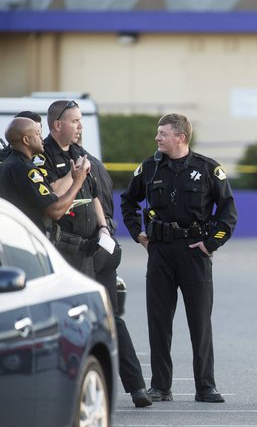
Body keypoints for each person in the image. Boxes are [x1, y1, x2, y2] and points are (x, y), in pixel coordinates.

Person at [120, 113, 237, 403]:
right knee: (159, 321)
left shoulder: (208, 169)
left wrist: (211, 244)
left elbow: (228, 213)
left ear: (180, 137)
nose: (157, 138)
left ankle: (205, 386)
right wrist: (137, 233)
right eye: (158, 133)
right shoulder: (149, 167)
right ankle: (160, 386)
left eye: (162, 133)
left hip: (193, 253)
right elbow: (128, 200)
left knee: (200, 322)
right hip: (159, 252)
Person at [75, 127, 152, 408]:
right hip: (105, 245)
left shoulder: (75, 166)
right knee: (111, 319)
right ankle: (137, 387)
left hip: (83, 249)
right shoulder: (95, 163)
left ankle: (81, 385)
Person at [35, 100, 108, 277]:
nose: (80, 126)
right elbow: (54, 194)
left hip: (87, 248)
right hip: (62, 247)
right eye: (75, 121)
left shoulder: (78, 151)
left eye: (80, 120)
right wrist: (74, 173)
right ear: (58, 125)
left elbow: (94, 195)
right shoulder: (42, 155)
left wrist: (103, 226)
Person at [0, 117, 86, 232]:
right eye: (38, 133)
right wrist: (78, 181)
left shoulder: (9, 164)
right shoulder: (25, 168)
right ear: (26, 140)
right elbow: (54, 211)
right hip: (25, 240)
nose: (42, 138)